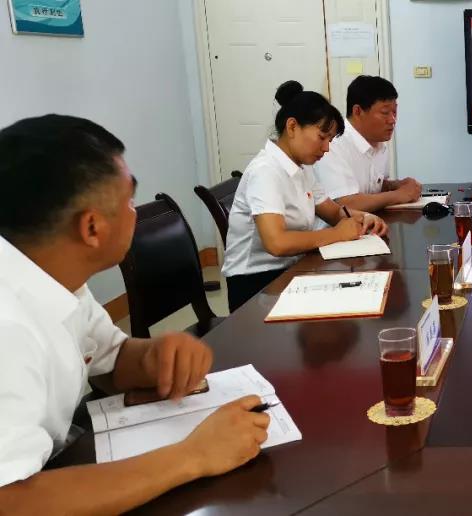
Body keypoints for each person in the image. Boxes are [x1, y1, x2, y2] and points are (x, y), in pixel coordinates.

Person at [0, 115, 270, 513]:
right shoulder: (9, 328)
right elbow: (11, 501)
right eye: (128, 202)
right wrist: (194, 455)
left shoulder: (56, 277)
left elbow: (108, 360)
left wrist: (153, 357)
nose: (135, 213)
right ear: (92, 228)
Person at [222, 81, 388, 311]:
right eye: (322, 137)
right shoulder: (266, 171)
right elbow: (277, 243)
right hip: (257, 284)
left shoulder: (302, 168)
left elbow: (332, 211)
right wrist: (337, 234)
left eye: (330, 140)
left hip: (291, 269)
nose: (327, 148)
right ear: (292, 127)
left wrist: (362, 217)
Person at [314, 75, 422, 212]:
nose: (392, 120)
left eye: (394, 112)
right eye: (385, 113)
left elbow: (372, 188)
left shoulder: (379, 143)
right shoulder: (333, 144)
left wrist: (396, 185)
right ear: (358, 111)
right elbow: (345, 205)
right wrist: (399, 195)